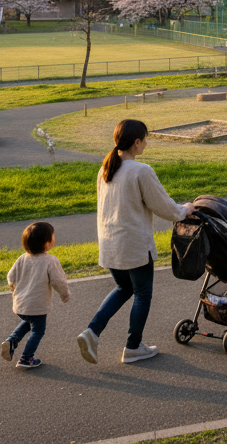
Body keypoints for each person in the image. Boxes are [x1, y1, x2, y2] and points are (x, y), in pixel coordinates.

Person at [76, 119, 194, 366]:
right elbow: (163, 206)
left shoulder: (106, 168)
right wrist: (185, 210)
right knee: (142, 294)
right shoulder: (141, 170)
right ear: (136, 142)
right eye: (145, 139)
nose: (146, 144)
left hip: (110, 244)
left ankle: (92, 331)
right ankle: (132, 347)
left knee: (123, 288)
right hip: (134, 245)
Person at [1, 221, 70, 370]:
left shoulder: (21, 259)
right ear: (46, 243)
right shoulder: (50, 260)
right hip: (37, 305)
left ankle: (12, 340)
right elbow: (58, 281)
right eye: (52, 235)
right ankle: (26, 358)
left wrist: (15, 293)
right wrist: (64, 295)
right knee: (38, 330)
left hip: (20, 304)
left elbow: (10, 278)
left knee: (29, 321)